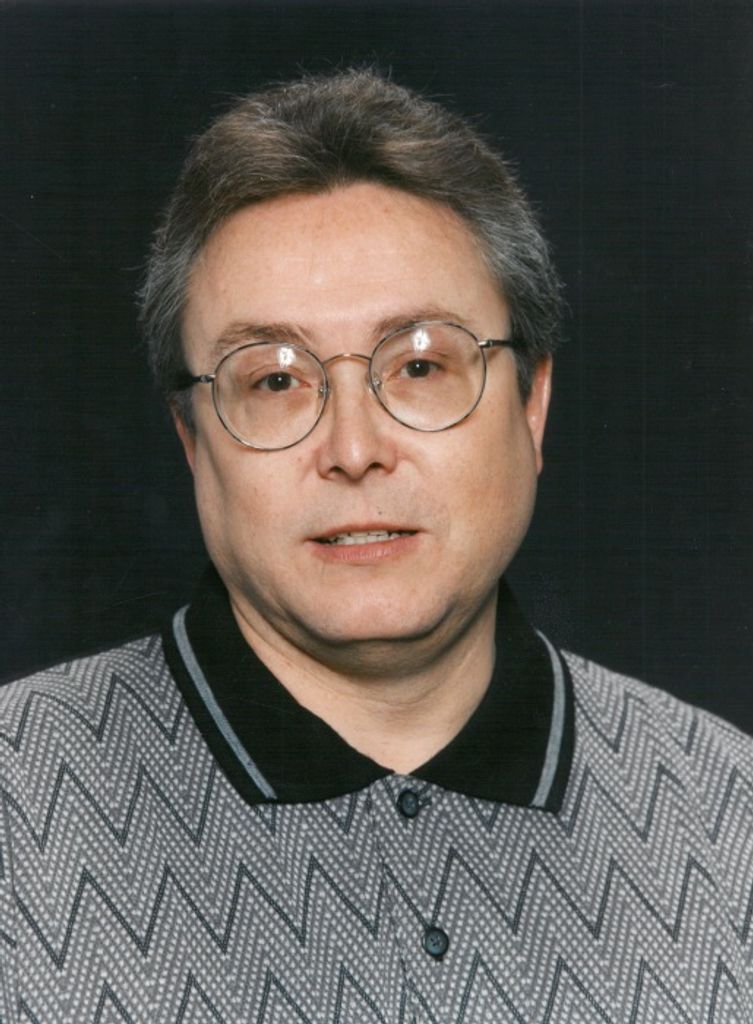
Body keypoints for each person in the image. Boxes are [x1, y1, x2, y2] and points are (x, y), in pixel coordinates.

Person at [1, 68, 751, 1024]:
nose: (353, 450)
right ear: (191, 439)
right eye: (274, 381)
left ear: (532, 405)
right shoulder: (18, 808)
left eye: (422, 365)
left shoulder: (727, 815)